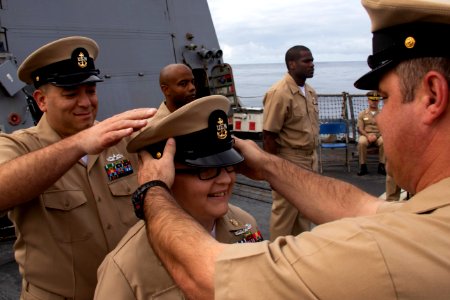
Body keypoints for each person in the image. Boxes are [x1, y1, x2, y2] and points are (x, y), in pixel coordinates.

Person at [133, 0, 450, 299]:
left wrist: (151, 189)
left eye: (384, 99)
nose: (378, 117)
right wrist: (269, 166)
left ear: (432, 96)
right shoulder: (433, 221)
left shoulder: (384, 251)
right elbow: (363, 207)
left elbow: (206, 278)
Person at [0, 36, 154, 299]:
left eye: (91, 91)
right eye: (71, 94)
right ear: (41, 101)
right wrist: (80, 143)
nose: (86, 103)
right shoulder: (18, 147)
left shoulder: (122, 140)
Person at [94, 95, 263, 299]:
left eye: (229, 166)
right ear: (165, 175)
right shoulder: (125, 269)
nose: (226, 179)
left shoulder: (245, 226)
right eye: (207, 170)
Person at [262, 45, 318, 241]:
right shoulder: (280, 92)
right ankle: (276, 259)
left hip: (310, 158)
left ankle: (299, 257)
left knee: (304, 211)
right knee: (284, 215)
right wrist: (273, 170)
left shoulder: (309, 92)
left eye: (312, 60)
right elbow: (269, 135)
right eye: (307, 61)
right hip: (289, 158)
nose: (312, 64)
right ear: (291, 64)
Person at [356, 91, 386, 176]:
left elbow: (384, 128)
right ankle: (363, 166)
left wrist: (376, 136)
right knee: (361, 142)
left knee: (384, 142)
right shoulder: (362, 114)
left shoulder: (383, 113)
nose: (374, 102)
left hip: (379, 134)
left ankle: (381, 165)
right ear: (368, 101)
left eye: (376, 100)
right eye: (372, 100)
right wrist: (367, 135)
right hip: (366, 134)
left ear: (378, 101)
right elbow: (360, 128)